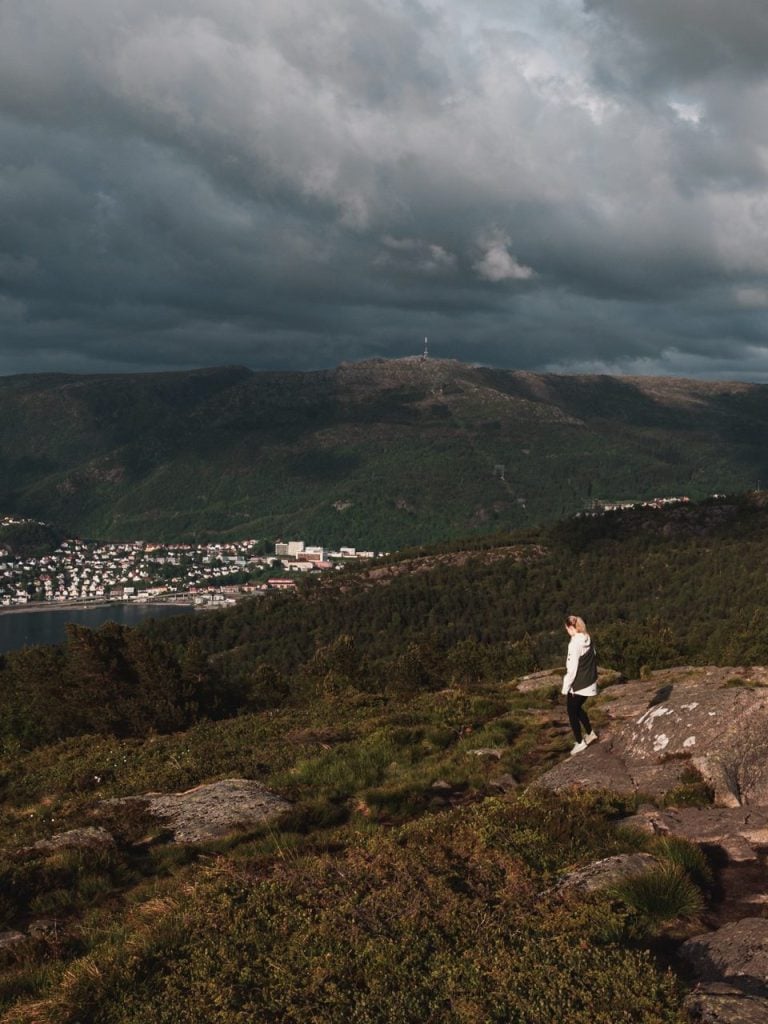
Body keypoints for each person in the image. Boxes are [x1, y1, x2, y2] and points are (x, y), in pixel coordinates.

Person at [561, 614, 598, 755]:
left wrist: (566, 688)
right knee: (577, 708)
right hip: (590, 682)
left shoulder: (575, 643)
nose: (566, 631)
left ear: (571, 628)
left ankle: (580, 742)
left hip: (580, 685)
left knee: (571, 711)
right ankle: (590, 733)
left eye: (566, 628)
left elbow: (572, 669)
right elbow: (593, 655)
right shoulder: (587, 638)